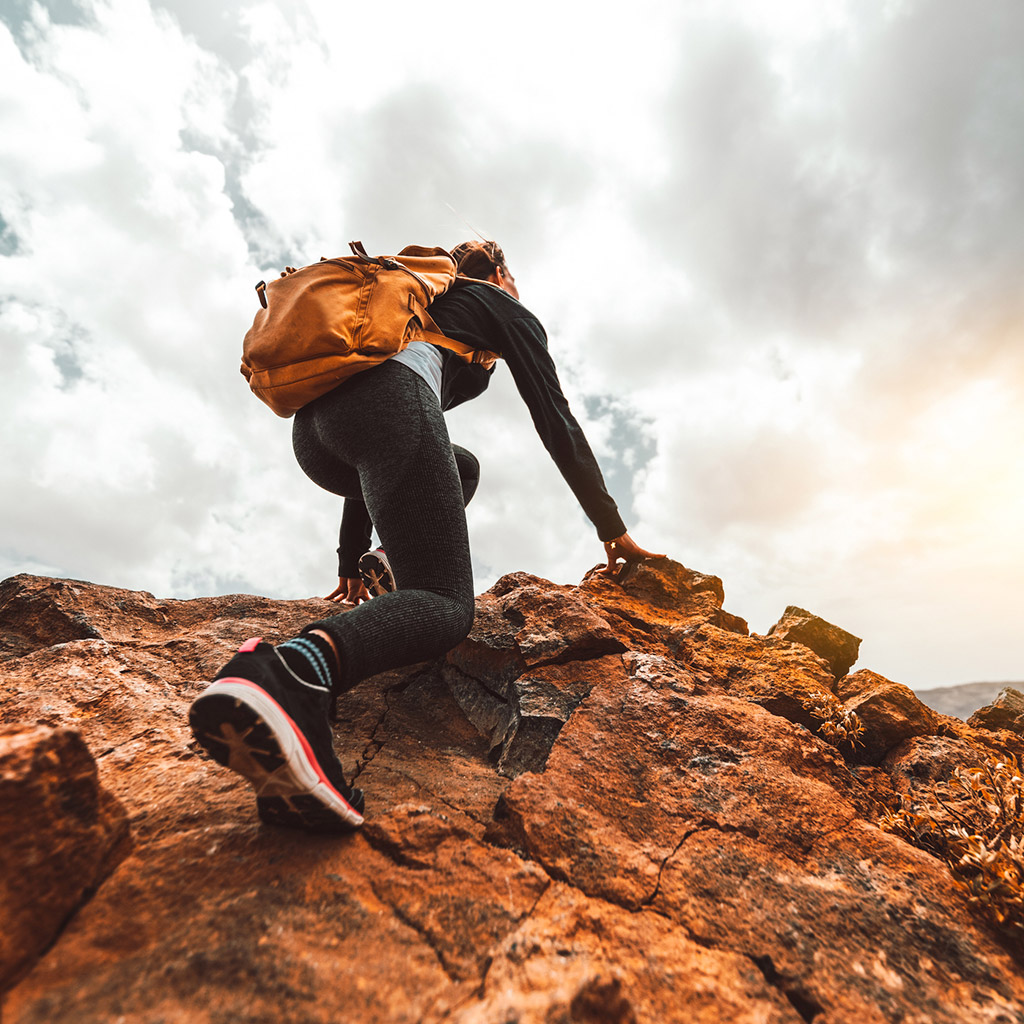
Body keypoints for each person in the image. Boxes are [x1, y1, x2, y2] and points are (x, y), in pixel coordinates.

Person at [188, 240, 662, 833]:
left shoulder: (421, 302)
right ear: (501, 273)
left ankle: (383, 566)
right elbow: (554, 417)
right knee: (443, 604)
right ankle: (290, 675)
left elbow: (375, 440)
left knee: (461, 467)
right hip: (388, 407)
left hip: (315, 434)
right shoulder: (499, 304)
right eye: (514, 276)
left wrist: (350, 559)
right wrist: (610, 525)